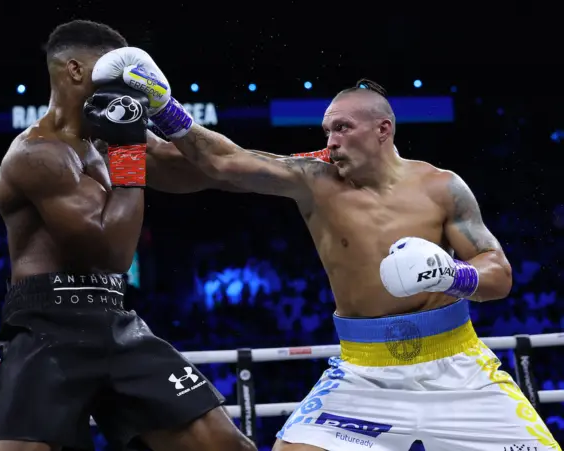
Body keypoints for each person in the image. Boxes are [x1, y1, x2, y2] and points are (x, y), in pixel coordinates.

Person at [101, 49, 562, 451]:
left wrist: (454, 275)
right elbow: (226, 162)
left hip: (458, 367)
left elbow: (499, 275)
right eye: (327, 131)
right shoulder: (314, 180)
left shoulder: (442, 186)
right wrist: (164, 108)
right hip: (365, 373)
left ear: (383, 130)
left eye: (342, 128)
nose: (330, 142)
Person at [0, 20, 258, 451]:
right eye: (111, 71)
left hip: (113, 319)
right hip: (46, 328)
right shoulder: (38, 154)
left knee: (225, 445)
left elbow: (210, 169)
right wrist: (129, 152)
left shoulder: (109, 142)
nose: (127, 86)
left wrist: (299, 165)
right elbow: (111, 251)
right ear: (75, 70)